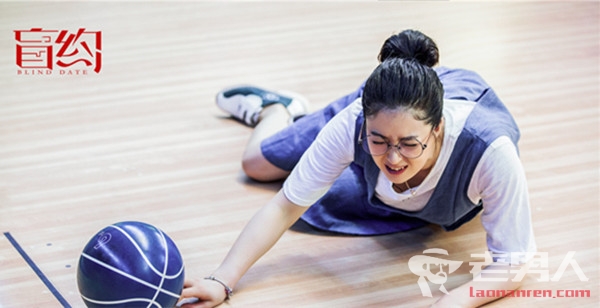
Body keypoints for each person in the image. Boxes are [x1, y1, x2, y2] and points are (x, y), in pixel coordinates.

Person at [179, 29, 537, 307]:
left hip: (427, 116)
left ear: (438, 128)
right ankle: (277, 110)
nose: (394, 159)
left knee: (323, 200)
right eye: (378, 141)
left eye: (410, 144)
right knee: (257, 166)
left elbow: (513, 263)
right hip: (388, 103)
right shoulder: (354, 121)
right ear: (363, 123)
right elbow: (284, 206)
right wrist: (221, 280)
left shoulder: (490, 151)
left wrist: (450, 301)